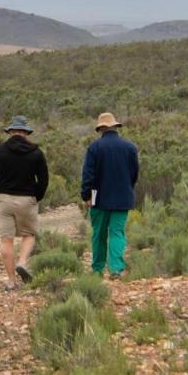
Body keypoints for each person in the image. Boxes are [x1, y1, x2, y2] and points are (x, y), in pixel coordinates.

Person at [0, 115, 49, 289]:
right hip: (27, 199)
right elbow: (43, 179)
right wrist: (37, 196)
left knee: (6, 240)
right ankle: (23, 261)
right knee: (29, 234)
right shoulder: (36, 152)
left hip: (3, 199)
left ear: (11, 131)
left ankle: (11, 282)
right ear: (26, 132)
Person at [80, 112, 140, 279]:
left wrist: (86, 195)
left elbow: (88, 176)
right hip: (123, 197)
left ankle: (98, 269)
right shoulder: (130, 147)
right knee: (117, 233)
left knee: (99, 234)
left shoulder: (94, 148)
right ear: (115, 127)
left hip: (98, 198)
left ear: (101, 129)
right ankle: (116, 269)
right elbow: (134, 173)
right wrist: (127, 188)